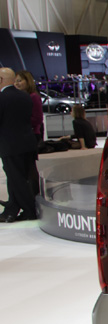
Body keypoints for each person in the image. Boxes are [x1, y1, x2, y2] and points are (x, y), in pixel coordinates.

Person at [0, 67, 38, 222]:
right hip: (27, 142)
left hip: (10, 145)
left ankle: (30, 210)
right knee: (18, 177)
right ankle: (11, 209)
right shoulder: (25, 96)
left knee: (16, 179)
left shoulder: (2, 98)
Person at [14, 70, 43, 199]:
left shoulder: (33, 97)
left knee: (30, 168)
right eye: (15, 81)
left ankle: (34, 196)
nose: (17, 83)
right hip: (23, 135)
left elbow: (37, 119)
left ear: (28, 81)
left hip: (31, 135)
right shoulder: (21, 97)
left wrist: (18, 121)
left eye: (20, 81)